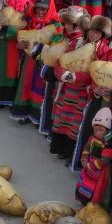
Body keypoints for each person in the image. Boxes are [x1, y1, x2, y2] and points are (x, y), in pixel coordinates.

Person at [44, 10, 92, 158]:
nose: (91, 34)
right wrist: (62, 73)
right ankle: (59, 148)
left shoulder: (97, 50)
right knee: (62, 118)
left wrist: (75, 76)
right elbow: (61, 60)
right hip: (66, 88)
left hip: (81, 93)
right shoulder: (74, 42)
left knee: (74, 123)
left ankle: (68, 152)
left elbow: (94, 71)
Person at [10, 0, 58, 125]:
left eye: (44, 9)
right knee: (26, 85)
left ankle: (37, 116)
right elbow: (21, 35)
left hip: (42, 62)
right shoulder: (29, 20)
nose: (40, 12)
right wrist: (19, 45)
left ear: (50, 8)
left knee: (39, 88)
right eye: (38, 8)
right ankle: (24, 113)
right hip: (28, 61)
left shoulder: (55, 24)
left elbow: (57, 44)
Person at [75, 106, 112, 205]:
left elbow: (105, 159)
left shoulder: (108, 144)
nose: (97, 132)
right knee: (85, 184)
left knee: (96, 188)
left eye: (100, 130)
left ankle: (92, 205)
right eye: (95, 130)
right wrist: (84, 159)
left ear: (107, 130)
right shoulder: (92, 138)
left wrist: (91, 166)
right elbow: (86, 149)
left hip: (100, 170)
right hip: (89, 166)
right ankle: (83, 201)